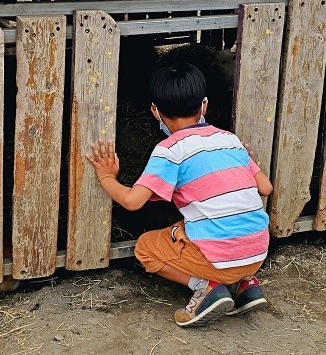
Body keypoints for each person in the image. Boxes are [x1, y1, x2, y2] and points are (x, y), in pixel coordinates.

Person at [84, 63, 273, 327]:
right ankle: (244, 286)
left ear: (155, 111)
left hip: (221, 258)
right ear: (204, 106)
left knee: (146, 247)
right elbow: (266, 188)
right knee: (191, 225)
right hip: (257, 253)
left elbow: (131, 201)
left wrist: (106, 176)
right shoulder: (230, 140)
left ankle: (206, 286)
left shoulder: (169, 150)